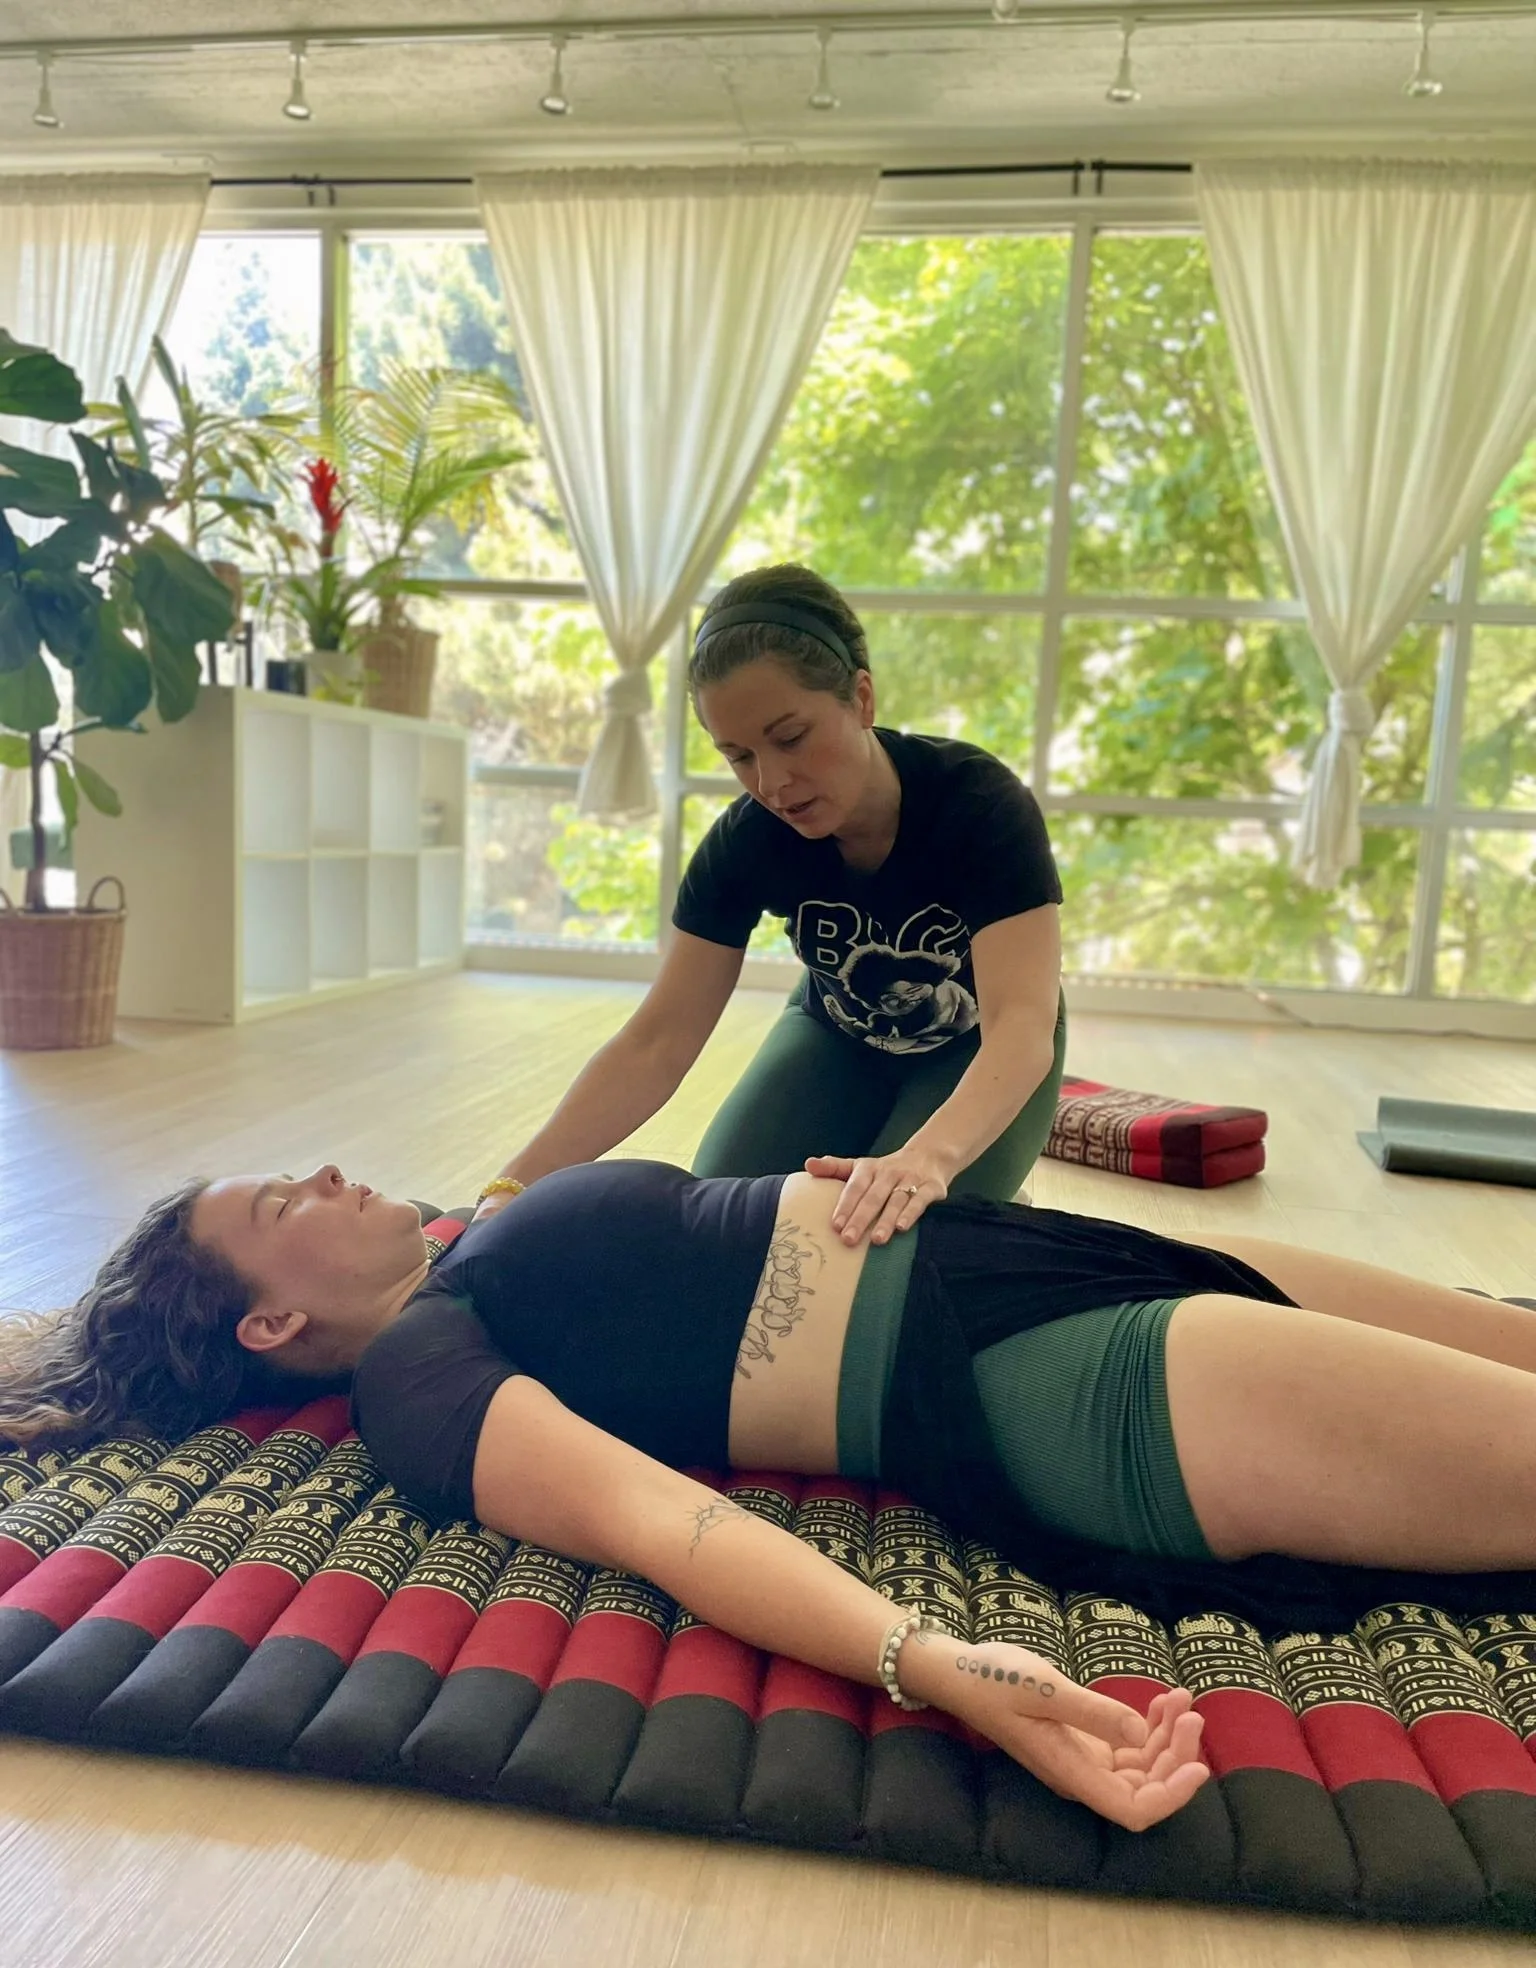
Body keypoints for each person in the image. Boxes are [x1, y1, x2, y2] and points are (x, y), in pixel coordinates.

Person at [8, 1159, 1536, 1837]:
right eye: (285, 1203)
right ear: (272, 1323)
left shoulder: (466, 1236)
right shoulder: (420, 1375)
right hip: (1040, 1376)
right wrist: (941, 1663)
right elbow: (658, 1522)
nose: (331, 1173)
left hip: (1043, 1250)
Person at [479, 562, 1067, 1251]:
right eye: (738, 756)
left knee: (902, 1247)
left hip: (977, 1043)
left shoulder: (979, 805)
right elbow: (656, 1043)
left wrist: (926, 1160)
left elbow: (1021, 1025)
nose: (773, 783)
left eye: (790, 738)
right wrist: (510, 1188)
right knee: (718, 1233)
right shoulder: (746, 842)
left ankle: (986, 1179)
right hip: (836, 1035)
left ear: (862, 698)